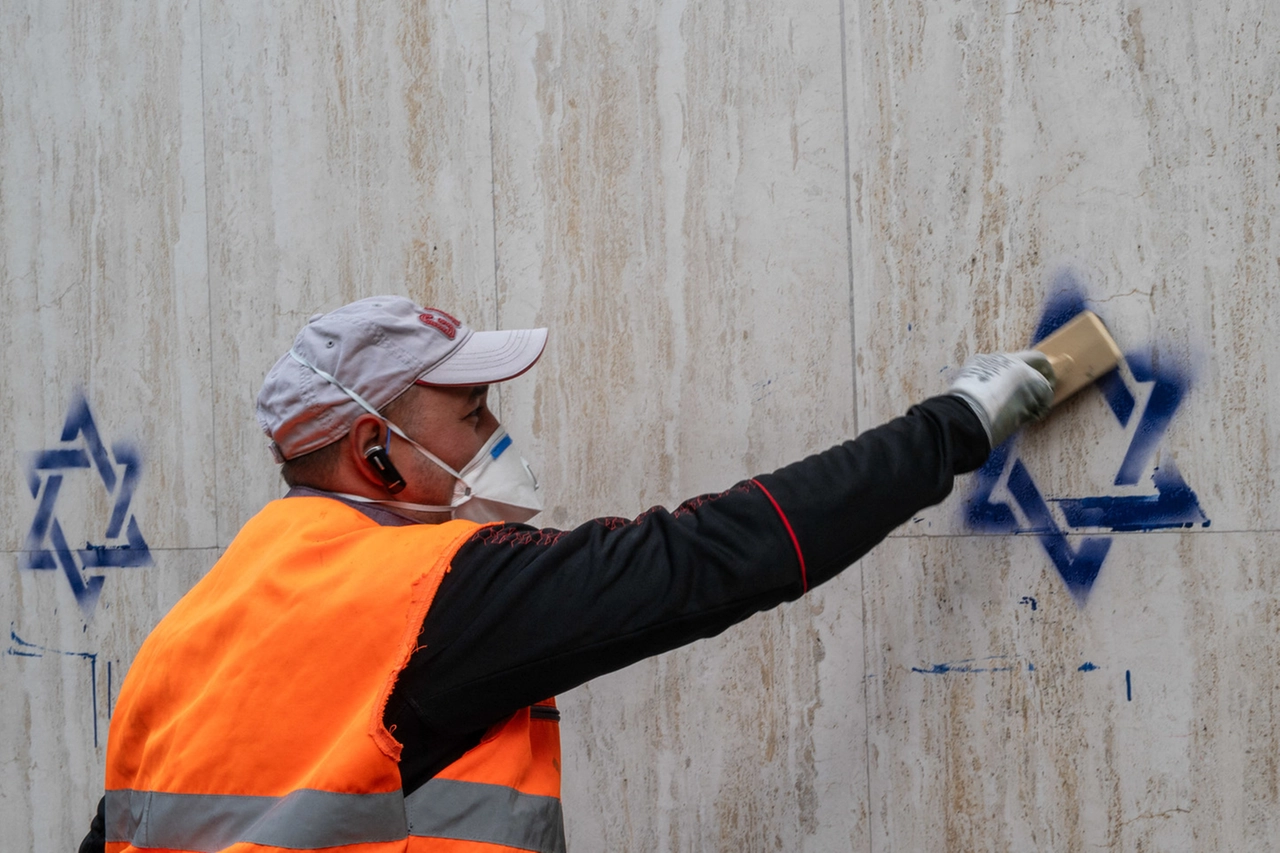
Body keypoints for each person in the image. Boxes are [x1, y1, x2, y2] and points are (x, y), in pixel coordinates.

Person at [81, 295, 1054, 853]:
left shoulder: (185, 636)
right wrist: (951, 426)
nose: (494, 437)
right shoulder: (430, 588)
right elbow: (709, 557)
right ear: (375, 455)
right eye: (469, 416)